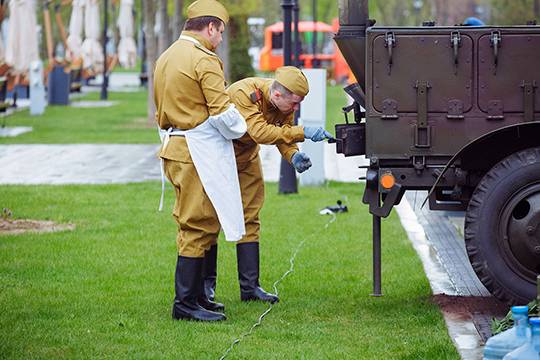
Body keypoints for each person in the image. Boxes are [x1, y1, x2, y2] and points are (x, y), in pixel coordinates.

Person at [202, 67, 333, 304]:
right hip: (219, 157)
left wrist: (293, 155)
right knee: (210, 218)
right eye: (294, 104)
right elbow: (260, 132)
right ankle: (205, 287)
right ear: (277, 95)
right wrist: (303, 132)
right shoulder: (244, 92)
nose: (296, 109)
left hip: (246, 156)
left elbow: (284, 133)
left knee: (250, 216)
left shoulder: (284, 102)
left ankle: (250, 289)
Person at [154, 0, 247, 322]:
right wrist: (244, 127)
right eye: (220, 32)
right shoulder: (204, 59)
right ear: (210, 28)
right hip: (196, 153)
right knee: (197, 224)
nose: (220, 39)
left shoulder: (166, 56)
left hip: (175, 149)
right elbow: (222, 113)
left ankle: (196, 297)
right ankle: (185, 304)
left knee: (203, 221)